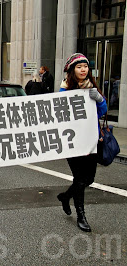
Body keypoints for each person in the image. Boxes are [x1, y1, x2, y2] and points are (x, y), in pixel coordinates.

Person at [57, 53, 107, 232]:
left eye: (85, 66)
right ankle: (81, 215)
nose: (83, 70)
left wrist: (99, 99)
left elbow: (101, 111)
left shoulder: (91, 87)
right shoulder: (64, 90)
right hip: (73, 142)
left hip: (91, 140)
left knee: (89, 179)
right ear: (72, 70)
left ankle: (66, 196)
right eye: (79, 67)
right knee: (79, 179)